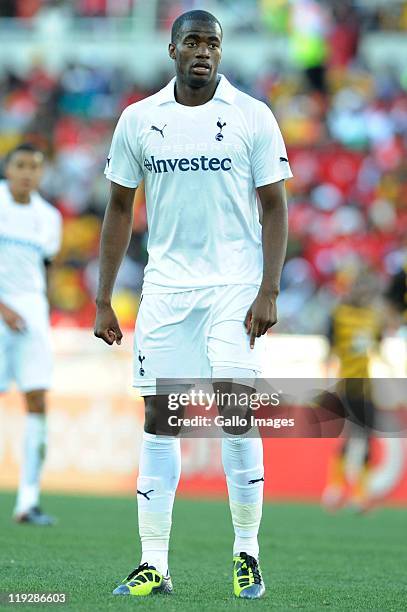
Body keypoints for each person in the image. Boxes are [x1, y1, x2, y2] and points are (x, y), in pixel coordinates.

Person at [94, 9, 292, 599]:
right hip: (166, 291)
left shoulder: (252, 117)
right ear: (172, 49)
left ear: (221, 52)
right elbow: (119, 208)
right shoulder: (139, 119)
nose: (204, 51)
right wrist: (103, 298)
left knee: (237, 414)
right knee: (160, 422)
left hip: (234, 287)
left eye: (213, 42)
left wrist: (268, 289)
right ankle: (154, 563)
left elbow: (276, 207)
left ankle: (247, 555)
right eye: (193, 42)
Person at [0, 143, 62, 525]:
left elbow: (47, 266)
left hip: (32, 315)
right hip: (2, 309)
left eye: (34, 167)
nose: (27, 173)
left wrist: (42, 310)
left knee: (38, 400)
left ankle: (27, 501)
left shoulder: (49, 216)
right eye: (20, 165)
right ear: (8, 168)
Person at [321, 271, 382, 512]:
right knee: (352, 434)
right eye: (361, 288)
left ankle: (358, 494)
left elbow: (378, 349)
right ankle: (336, 489)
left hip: (368, 385)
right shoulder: (339, 315)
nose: (364, 294)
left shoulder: (373, 317)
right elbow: (329, 349)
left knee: (366, 437)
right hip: (346, 383)